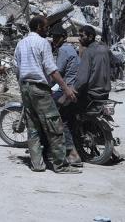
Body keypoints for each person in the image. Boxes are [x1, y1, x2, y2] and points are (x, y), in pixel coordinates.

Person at [14, 15, 81, 173]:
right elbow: (52, 69)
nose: (48, 30)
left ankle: (37, 164)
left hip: (25, 87)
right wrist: (66, 89)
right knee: (54, 125)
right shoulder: (42, 43)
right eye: (46, 27)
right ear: (38, 27)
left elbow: (16, 68)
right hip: (39, 88)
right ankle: (60, 165)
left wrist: (23, 86)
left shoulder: (21, 43)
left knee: (33, 127)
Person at [49, 25, 82, 166]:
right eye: (54, 37)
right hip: (75, 87)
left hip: (68, 89)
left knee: (59, 117)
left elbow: (57, 71)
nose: (55, 40)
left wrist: (48, 82)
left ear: (64, 38)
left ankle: (71, 152)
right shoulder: (71, 49)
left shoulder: (63, 50)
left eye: (57, 37)